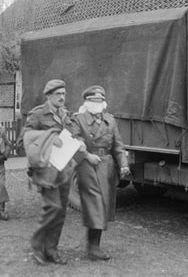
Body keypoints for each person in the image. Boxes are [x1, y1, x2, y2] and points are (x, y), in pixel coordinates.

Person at [71, 85, 130, 261]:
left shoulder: (110, 120)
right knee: (95, 204)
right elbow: (73, 142)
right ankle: (93, 248)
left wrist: (123, 164)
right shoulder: (78, 119)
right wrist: (87, 155)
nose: (97, 104)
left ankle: (94, 245)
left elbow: (118, 145)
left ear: (104, 102)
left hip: (107, 168)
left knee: (103, 206)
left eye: (100, 100)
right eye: (93, 101)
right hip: (87, 166)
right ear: (87, 102)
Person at [20, 79, 74, 266]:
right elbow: (26, 138)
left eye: (64, 94)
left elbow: (71, 134)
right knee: (53, 207)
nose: (62, 97)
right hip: (45, 169)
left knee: (61, 213)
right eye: (58, 94)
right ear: (49, 95)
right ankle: (37, 245)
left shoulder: (66, 114)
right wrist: (50, 138)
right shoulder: (38, 114)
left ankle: (52, 249)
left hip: (63, 168)